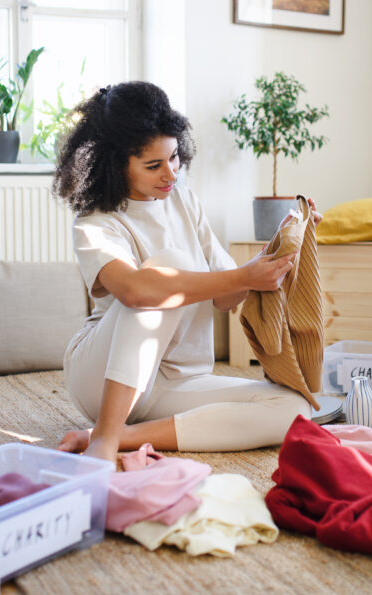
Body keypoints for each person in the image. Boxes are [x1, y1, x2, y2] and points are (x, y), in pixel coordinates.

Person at [52, 81, 319, 464]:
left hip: (178, 380)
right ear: (115, 164)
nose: (170, 174)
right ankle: (105, 437)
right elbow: (135, 291)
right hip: (102, 379)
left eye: (174, 157)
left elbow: (227, 296)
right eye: (153, 165)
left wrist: (279, 249)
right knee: (167, 269)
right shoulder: (95, 222)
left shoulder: (185, 202)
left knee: (294, 409)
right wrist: (243, 277)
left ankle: (124, 436)